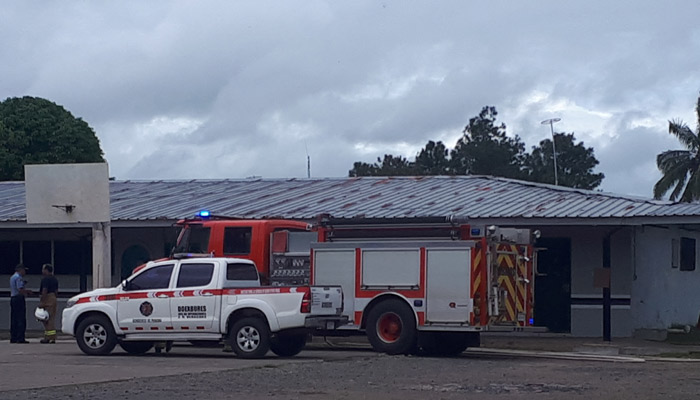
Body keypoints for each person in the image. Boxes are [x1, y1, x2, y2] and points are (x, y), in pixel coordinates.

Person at [9, 264, 31, 343]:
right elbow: (20, 289)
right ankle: (20, 338)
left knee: (14, 318)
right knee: (21, 319)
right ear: (20, 270)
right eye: (24, 270)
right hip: (18, 299)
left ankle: (13, 337)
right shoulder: (19, 278)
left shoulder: (12, 277)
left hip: (13, 298)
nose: (25, 272)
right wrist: (28, 292)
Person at [38, 264, 59, 344]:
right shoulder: (54, 279)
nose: (42, 271)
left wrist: (42, 301)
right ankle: (48, 337)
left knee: (46, 319)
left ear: (46, 270)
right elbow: (56, 291)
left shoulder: (45, 279)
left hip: (47, 298)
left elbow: (44, 290)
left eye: (43, 269)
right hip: (53, 297)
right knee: (51, 318)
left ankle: (50, 338)